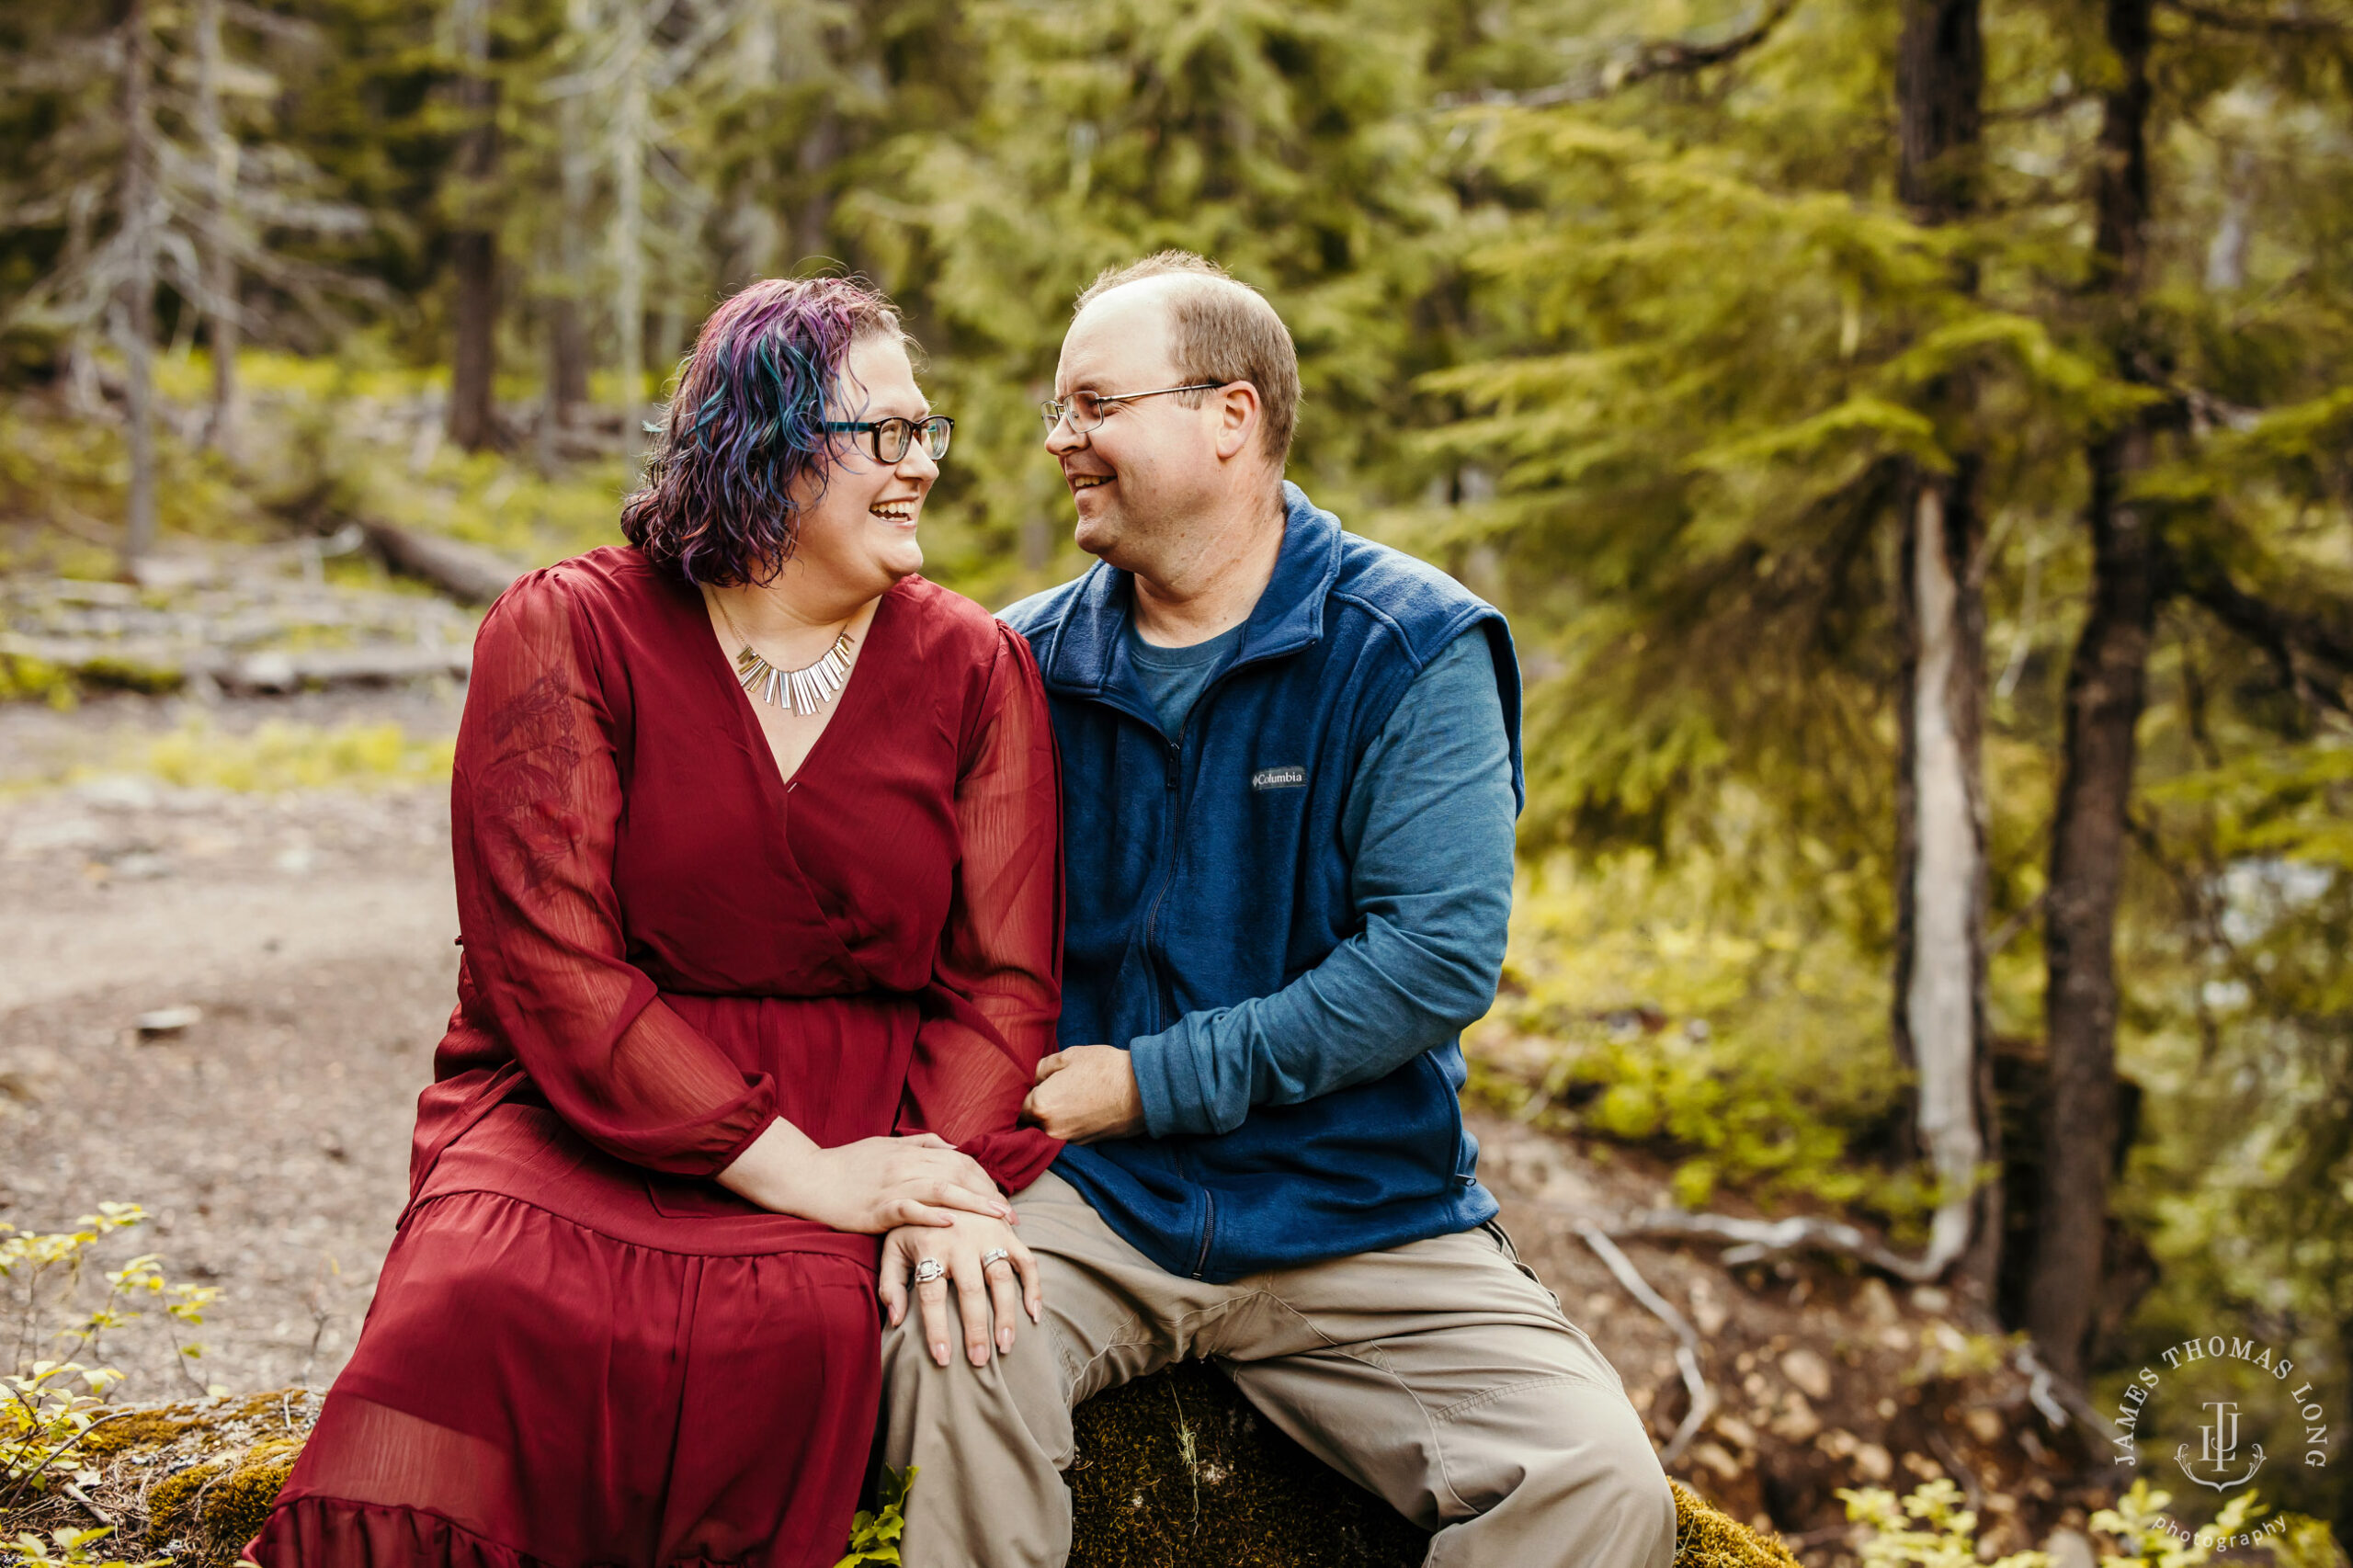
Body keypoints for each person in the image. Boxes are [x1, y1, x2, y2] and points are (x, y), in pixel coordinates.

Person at [245, 276, 1063, 1568]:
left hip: (862, 1097)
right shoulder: (567, 628)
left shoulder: (974, 665)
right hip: (580, 1096)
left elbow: (1003, 980)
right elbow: (549, 965)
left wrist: (933, 1176)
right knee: (472, 1301)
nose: (922, 469)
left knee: (798, 1330)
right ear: (771, 444)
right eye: (888, 436)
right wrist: (802, 1170)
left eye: (929, 432)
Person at [877, 252, 1677, 1568]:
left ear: (1229, 417)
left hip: (1358, 1210)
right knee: (953, 1350)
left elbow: (1432, 961)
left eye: (1093, 404)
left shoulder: (1413, 645)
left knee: (1597, 1484)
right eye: (1056, 408)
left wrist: (1152, 1080)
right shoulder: (1019, 660)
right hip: (1093, 1198)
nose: (1058, 440)